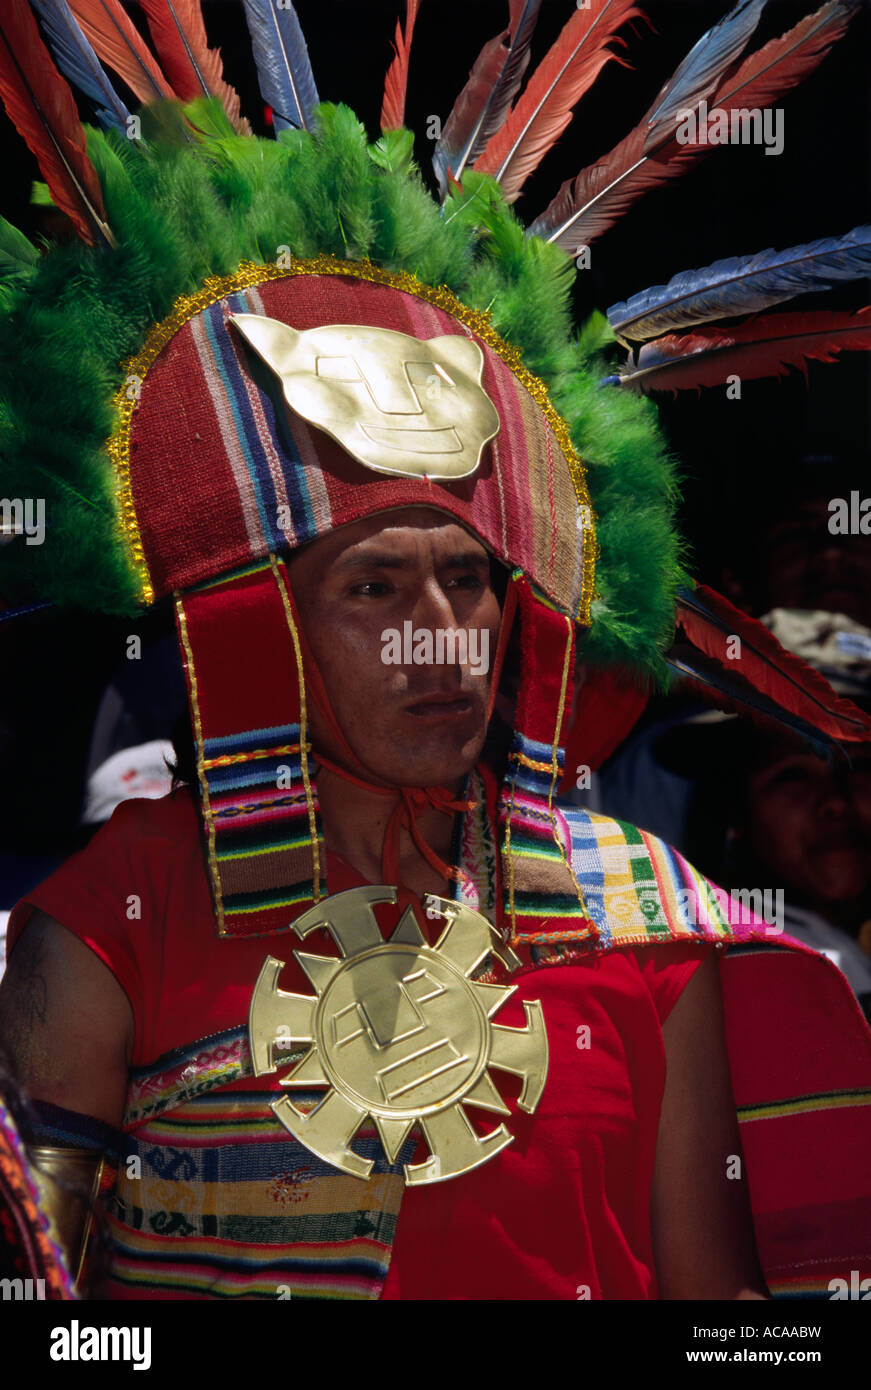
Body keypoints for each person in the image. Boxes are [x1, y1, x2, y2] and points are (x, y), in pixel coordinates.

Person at [0, 0, 870, 1303]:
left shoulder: (645, 916)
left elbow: (712, 1304)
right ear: (262, 623)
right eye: (373, 585)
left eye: (470, 579)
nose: (441, 635)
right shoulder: (112, 920)